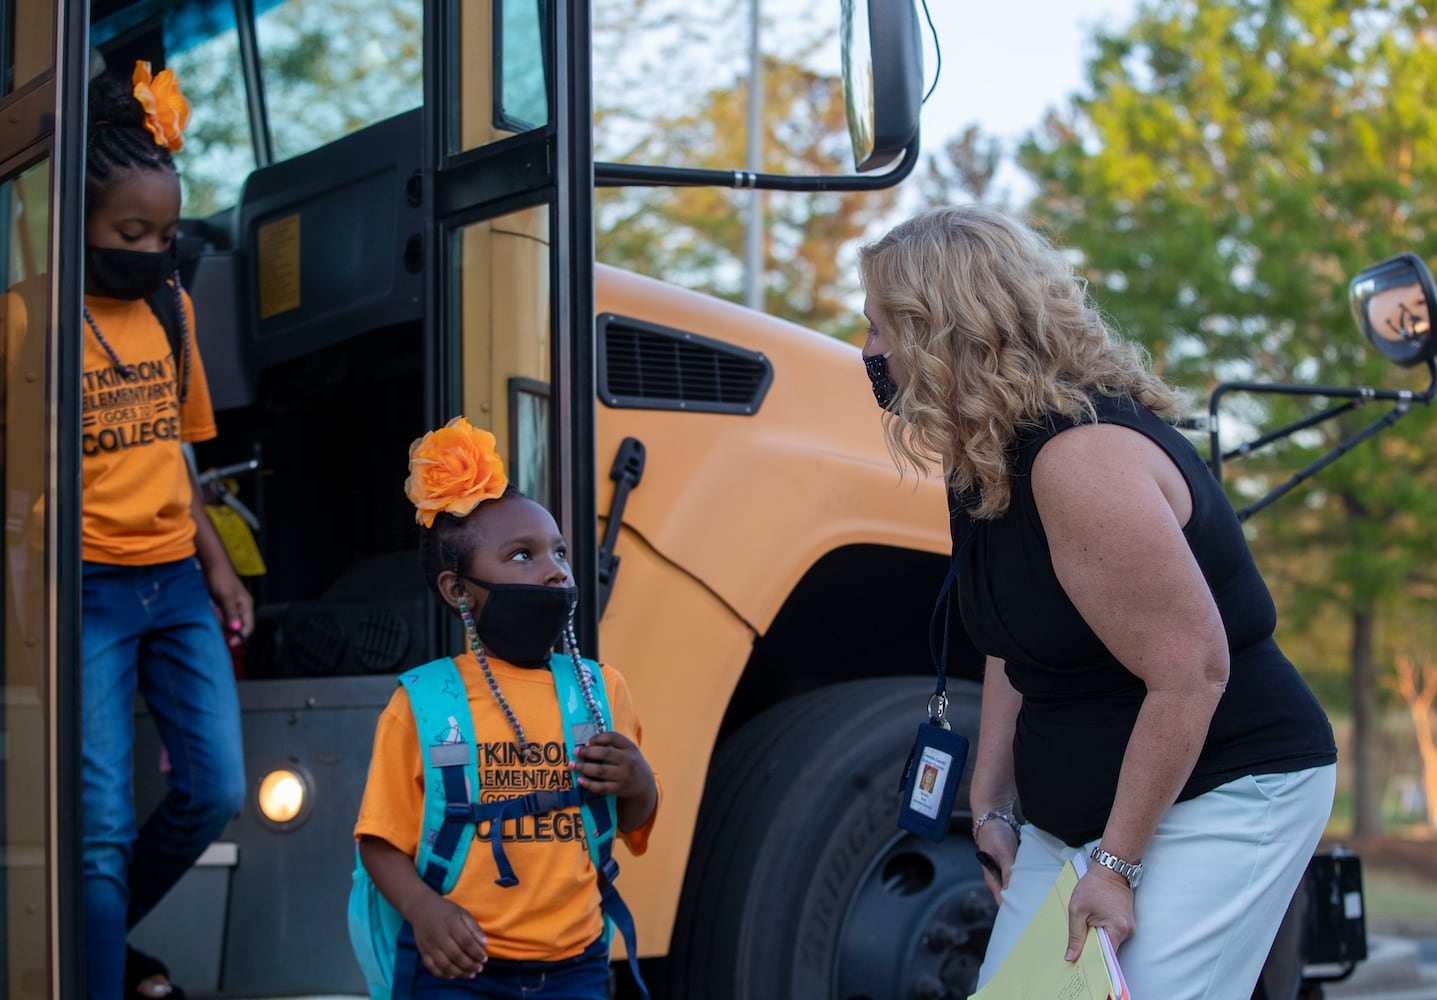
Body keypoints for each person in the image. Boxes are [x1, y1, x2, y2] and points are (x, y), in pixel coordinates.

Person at [856, 204, 1337, 999]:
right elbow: (1018, 640)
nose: (867, 353)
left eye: (880, 330)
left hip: (1225, 790)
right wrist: (990, 801)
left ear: (942, 332)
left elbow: (1191, 672)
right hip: (1074, 814)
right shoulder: (985, 456)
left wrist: (1114, 866)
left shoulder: (1078, 461)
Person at [355, 416, 659, 998]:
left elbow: (633, 821)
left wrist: (638, 781)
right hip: (458, 971)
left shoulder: (603, 690)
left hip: (578, 967)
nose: (554, 570)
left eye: (560, 552)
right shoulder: (419, 703)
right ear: (457, 589)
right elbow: (379, 839)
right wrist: (424, 911)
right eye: (522, 556)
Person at [80, 61, 251, 1000]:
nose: (152, 248)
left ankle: (92, 939)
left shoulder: (169, 309)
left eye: (167, 232)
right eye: (131, 233)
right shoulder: (29, 320)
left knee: (214, 790)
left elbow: (177, 457)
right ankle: (100, 973)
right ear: (80, 224)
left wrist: (220, 570)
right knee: (97, 828)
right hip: (86, 590)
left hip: (176, 586)